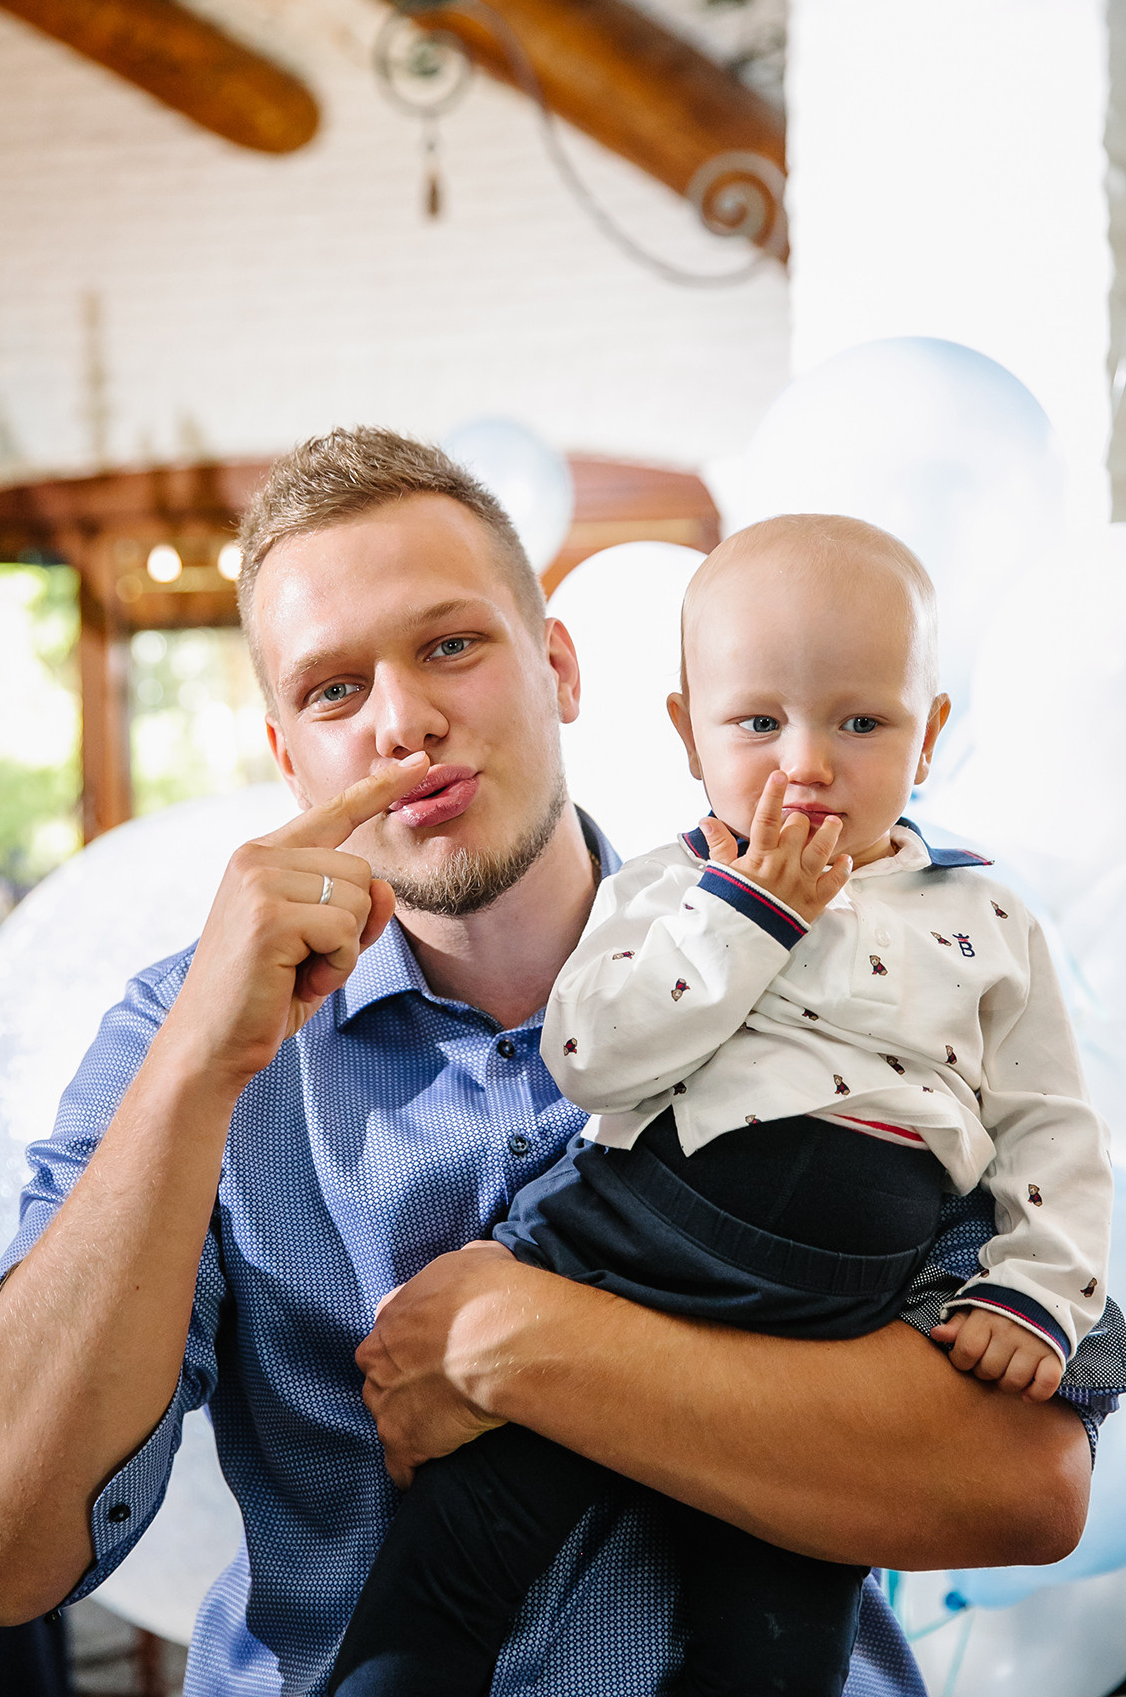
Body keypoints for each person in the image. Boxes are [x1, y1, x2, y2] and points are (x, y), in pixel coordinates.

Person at [0, 432, 1120, 1697]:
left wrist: (529, 1344)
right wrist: (195, 1073)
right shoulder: (185, 1027)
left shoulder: (865, 962)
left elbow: (1022, 1488)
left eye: (451, 645)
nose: (403, 721)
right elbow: (2, 1555)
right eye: (333, 691)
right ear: (287, 755)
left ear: (557, 667)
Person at [326, 515, 1113, 1697]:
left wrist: (1038, 1289)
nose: (806, 764)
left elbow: (1053, 1126)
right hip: (642, 1240)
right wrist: (752, 914)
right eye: (758, 723)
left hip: (844, 1313)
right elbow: (592, 1056)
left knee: (780, 1638)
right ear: (690, 735)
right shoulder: (670, 885)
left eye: (861, 722)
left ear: (930, 734)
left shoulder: (985, 918)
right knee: (461, 1547)